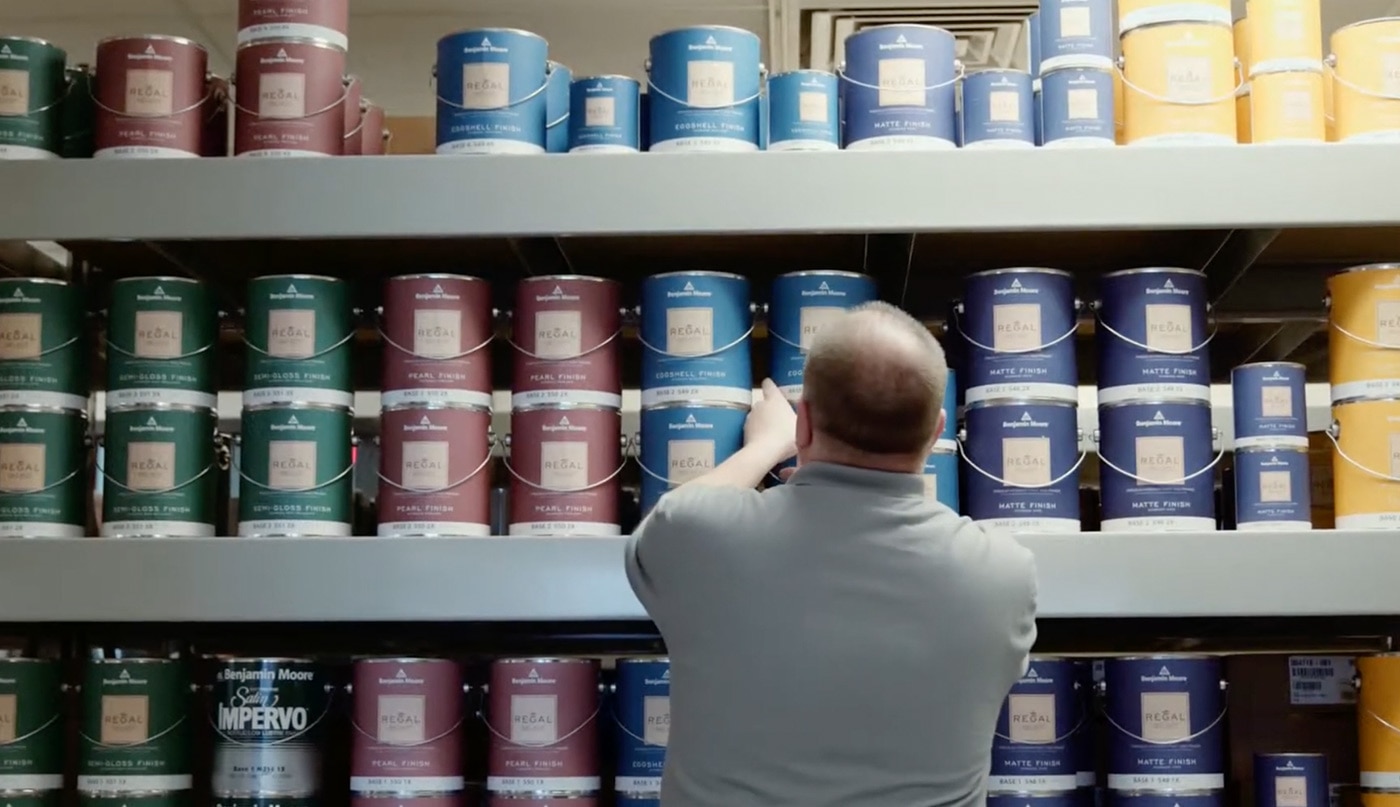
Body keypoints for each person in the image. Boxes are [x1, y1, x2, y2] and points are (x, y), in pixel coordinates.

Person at [624, 301, 1039, 807]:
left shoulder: (698, 535)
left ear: (804, 424)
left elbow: (661, 525)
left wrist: (765, 447)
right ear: (936, 434)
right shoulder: (1003, 573)